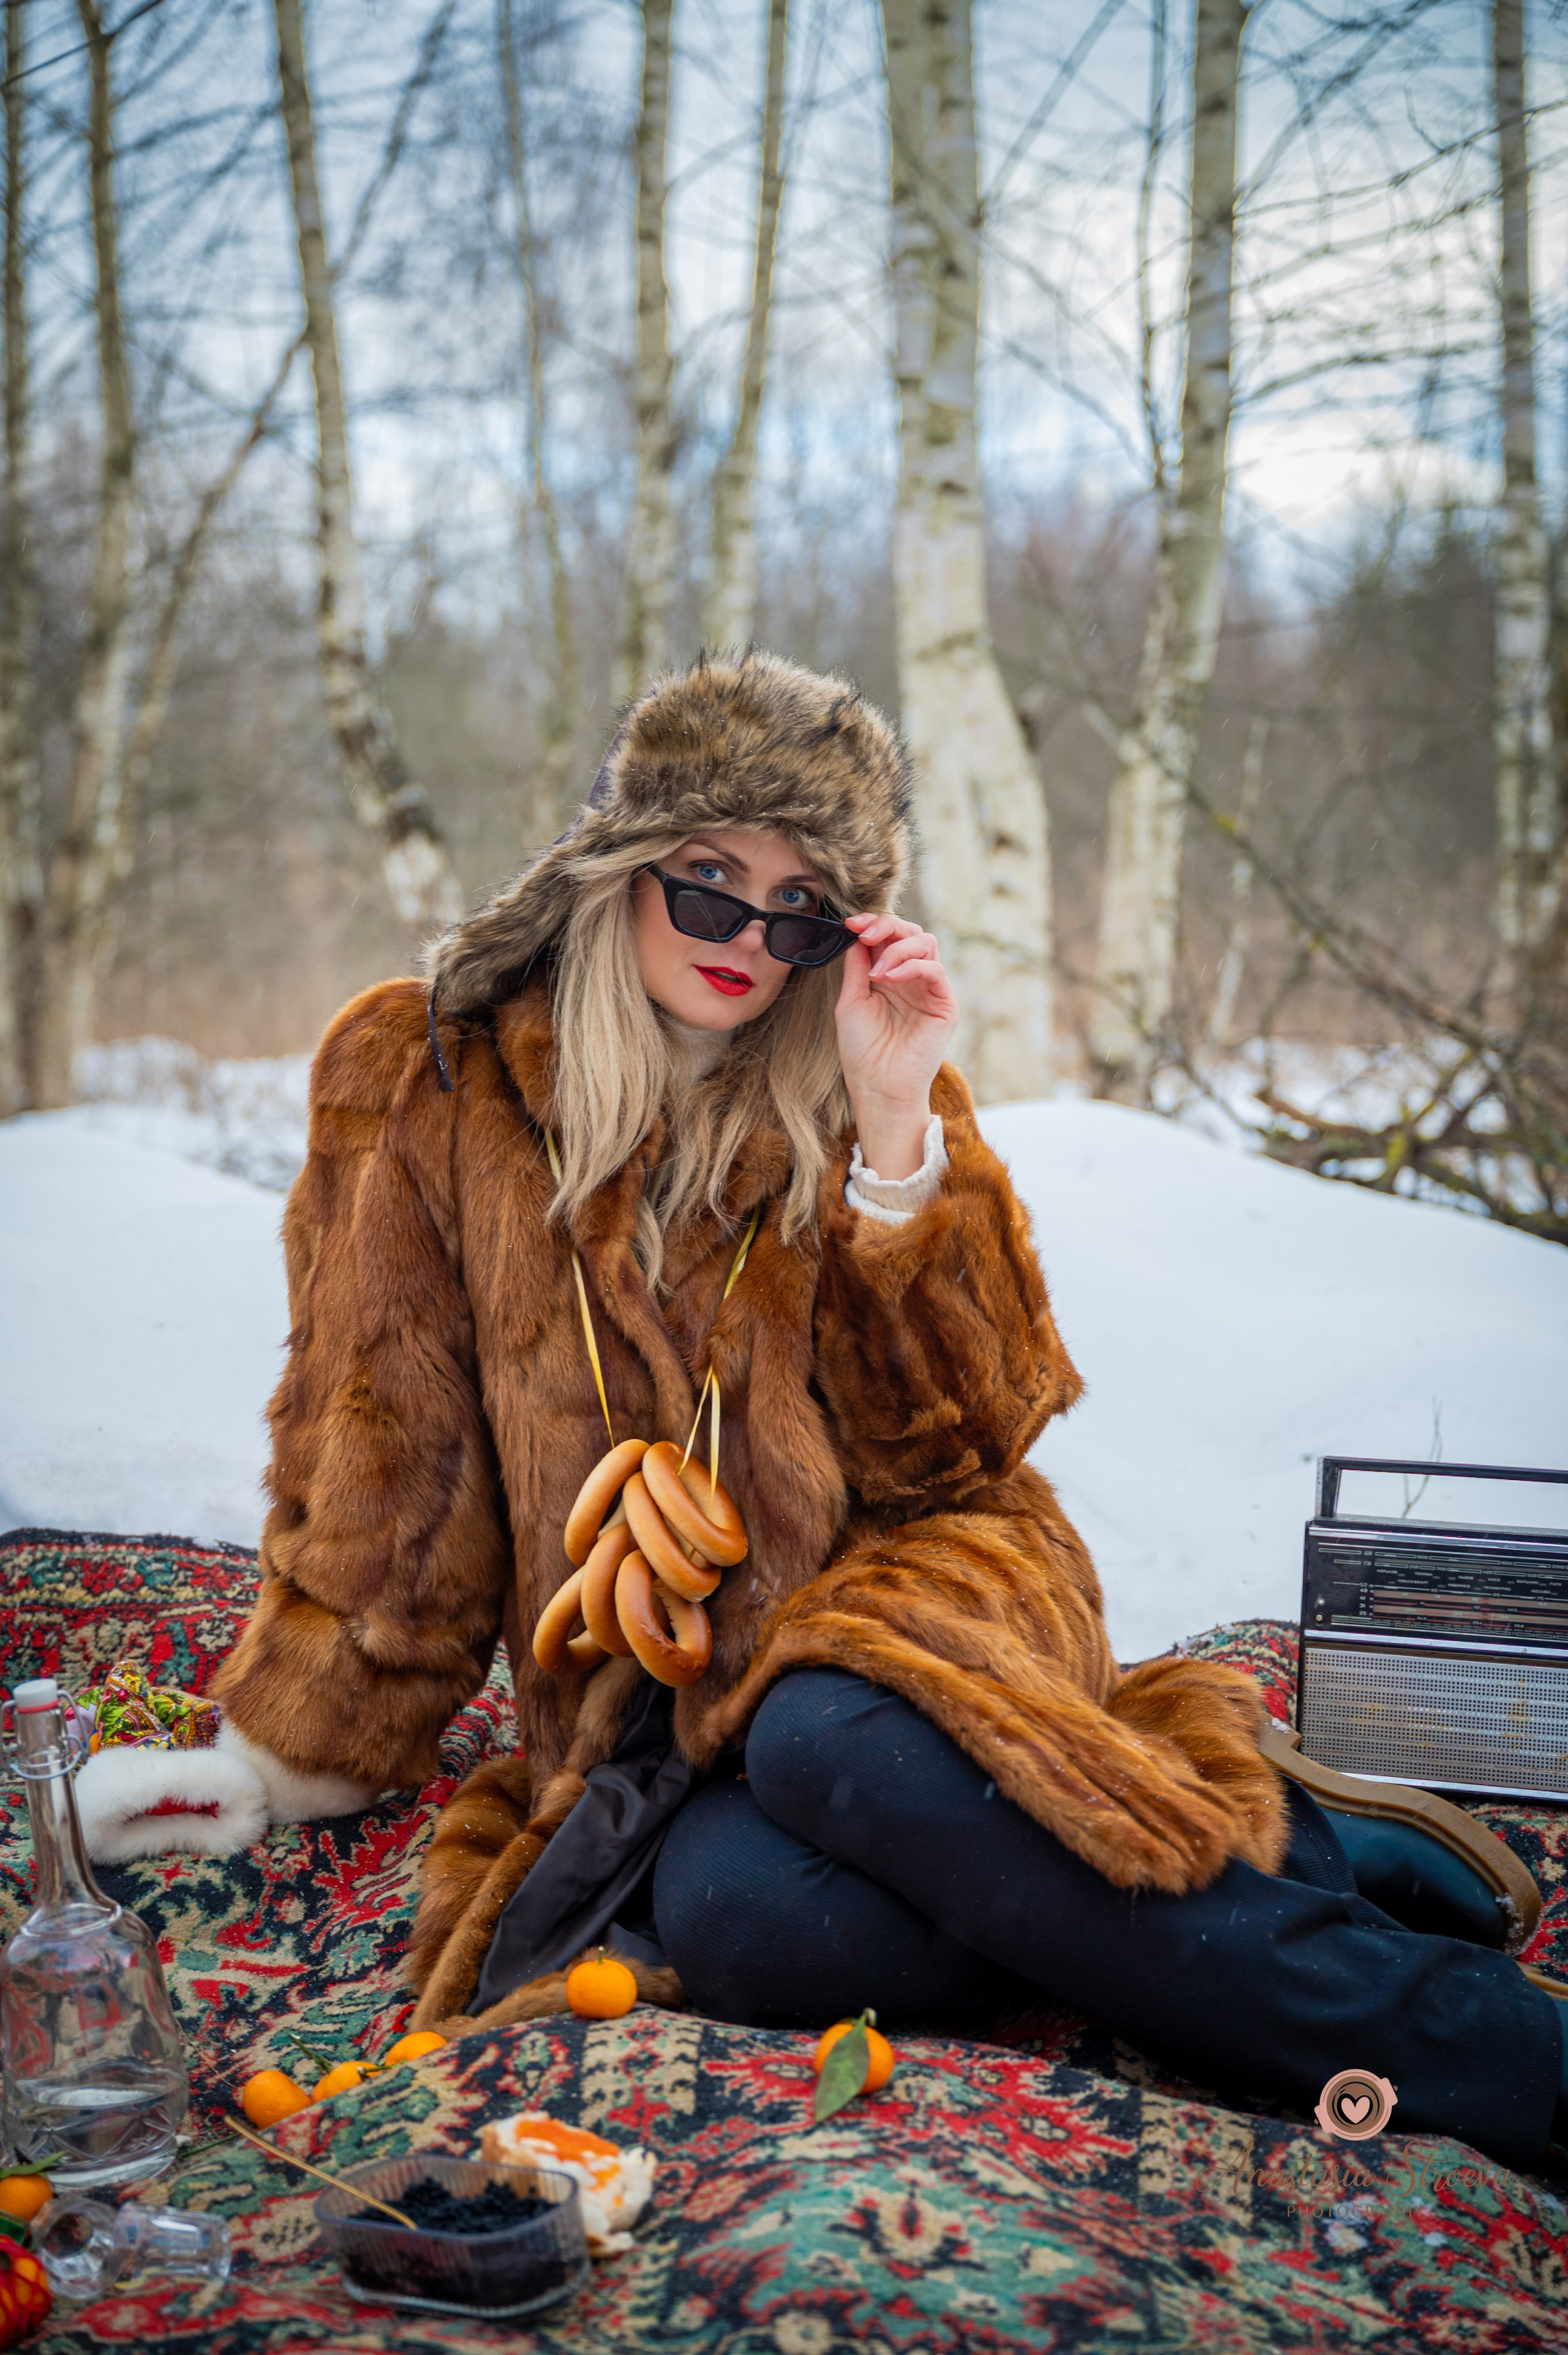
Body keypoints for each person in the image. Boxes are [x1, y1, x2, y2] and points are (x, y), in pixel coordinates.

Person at [209, 651, 1567, 2174]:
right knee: (745, 1923)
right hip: (665, 1707)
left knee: (817, 1725)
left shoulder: (864, 1074)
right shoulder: (429, 1076)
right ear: (617, 862)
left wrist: (897, 1132)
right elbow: (387, 1447)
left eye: (798, 906)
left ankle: (1486, 2050)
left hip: (928, 1591)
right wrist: (292, 1748)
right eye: (708, 882)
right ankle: (1256, 1821)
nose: (748, 937)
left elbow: (964, 1447)